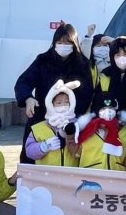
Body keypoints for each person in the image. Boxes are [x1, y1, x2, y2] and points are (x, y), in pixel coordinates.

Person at [14, 23, 93, 164]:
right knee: (31, 157)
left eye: (68, 42)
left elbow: (86, 93)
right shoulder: (43, 60)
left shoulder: (82, 64)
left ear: (74, 43)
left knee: (68, 159)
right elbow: (23, 82)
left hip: (69, 121)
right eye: (60, 42)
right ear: (54, 42)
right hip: (41, 118)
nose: (63, 45)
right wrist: (27, 98)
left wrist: (68, 115)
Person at [25, 80, 81, 167]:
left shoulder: (78, 126)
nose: (63, 106)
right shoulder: (39, 128)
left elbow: (86, 149)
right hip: (47, 176)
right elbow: (29, 151)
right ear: (50, 104)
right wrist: (43, 147)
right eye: (59, 103)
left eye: (67, 102)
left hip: (71, 176)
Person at [75, 93, 126, 171]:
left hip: (116, 177)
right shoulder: (86, 129)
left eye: (111, 108)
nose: (108, 111)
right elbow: (75, 154)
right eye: (103, 108)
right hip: (90, 178)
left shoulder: (125, 131)